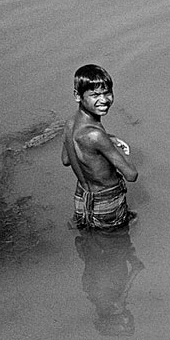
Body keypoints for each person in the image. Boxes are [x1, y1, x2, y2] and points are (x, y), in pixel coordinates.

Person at [62, 64, 138, 230]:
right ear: (77, 95)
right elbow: (131, 175)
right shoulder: (96, 136)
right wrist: (109, 146)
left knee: (91, 239)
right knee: (118, 245)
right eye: (95, 95)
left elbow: (66, 159)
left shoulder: (70, 124)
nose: (104, 100)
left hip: (83, 198)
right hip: (107, 201)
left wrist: (107, 139)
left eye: (107, 93)